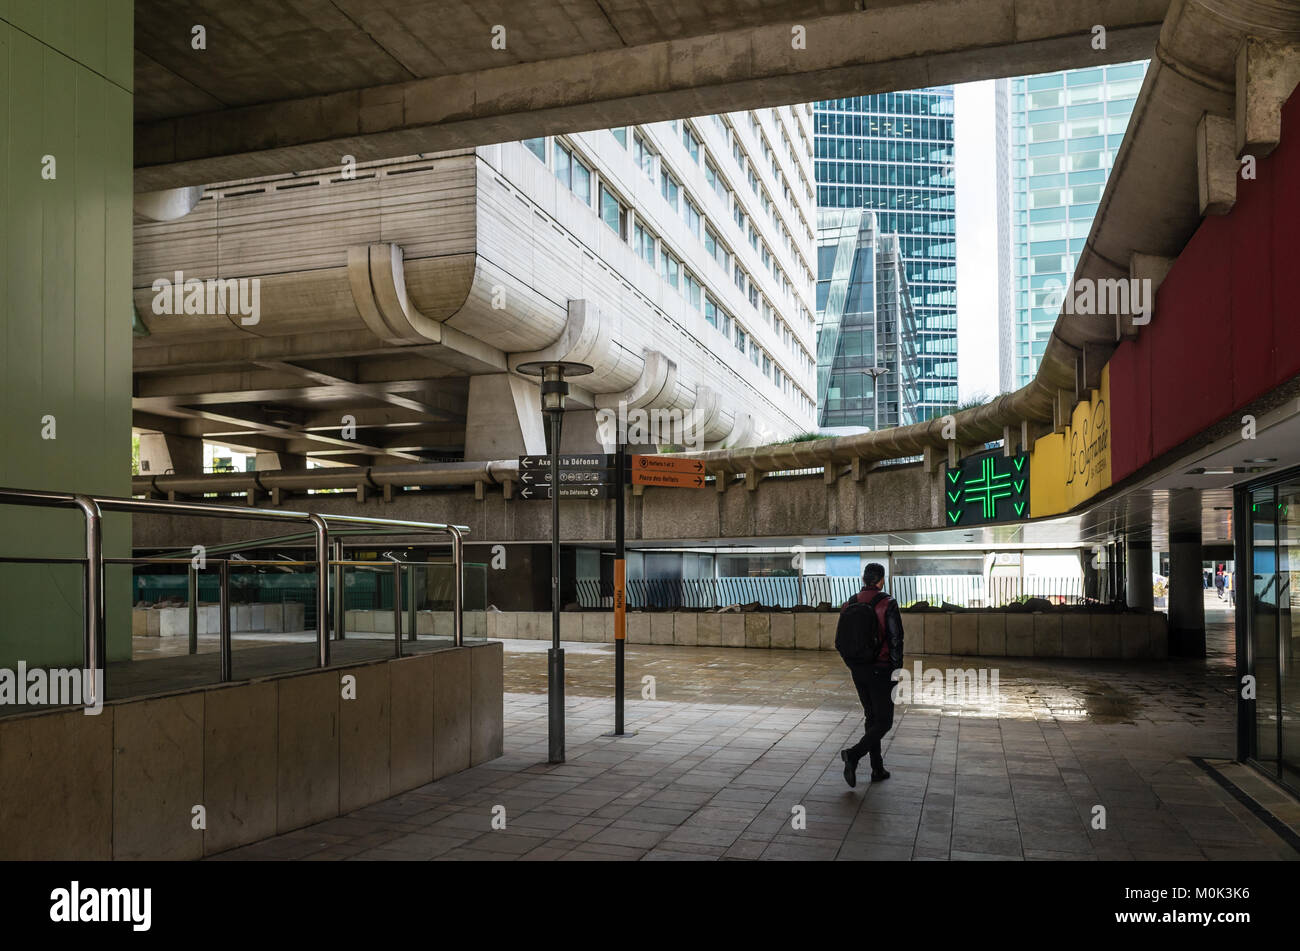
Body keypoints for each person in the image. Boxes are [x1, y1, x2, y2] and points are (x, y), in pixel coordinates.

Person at [836, 562, 904, 787]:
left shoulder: (849, 604)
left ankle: (877, 768)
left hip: (858, 668)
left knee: (871, 717)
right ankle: (854, 755)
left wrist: (853, 665)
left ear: (864, 579)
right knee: (884, 721)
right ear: (881, 579)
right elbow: (895, 639)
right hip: (881, 668)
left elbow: (839, 641)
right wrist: (896, 670)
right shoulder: (888, 603)